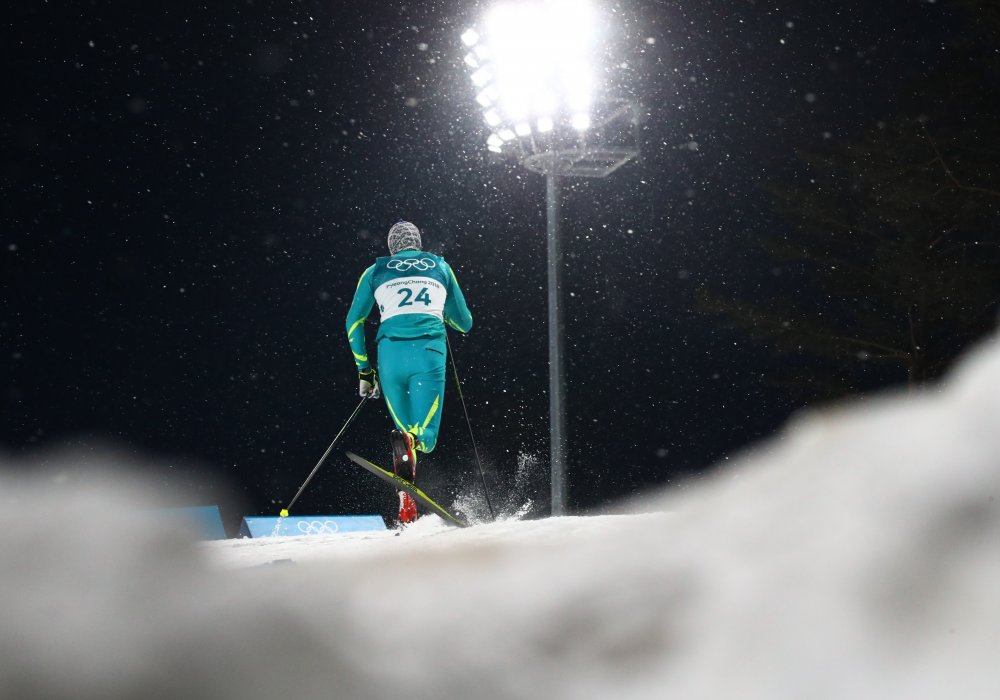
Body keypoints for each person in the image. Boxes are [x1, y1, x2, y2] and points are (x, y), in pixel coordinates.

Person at [345, 221, 473, 524]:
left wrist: (364, 372)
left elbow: (353, 320)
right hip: (428, 354)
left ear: (392, 247)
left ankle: (407, 506)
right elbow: (465, 322)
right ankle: (413, 442)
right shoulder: (440, 267)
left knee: (404, 434)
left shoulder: (374, 270)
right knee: (425, 436)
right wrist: (442, 312)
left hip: (390, 357)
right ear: (418, 241)